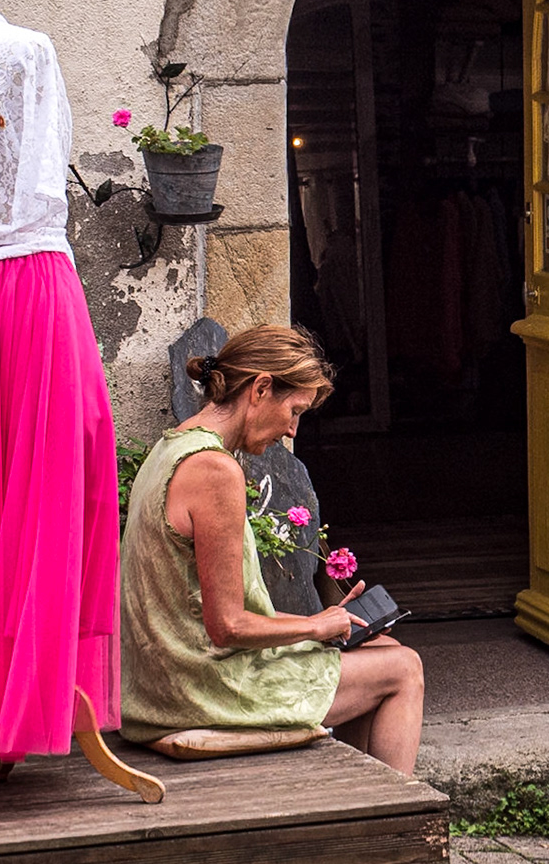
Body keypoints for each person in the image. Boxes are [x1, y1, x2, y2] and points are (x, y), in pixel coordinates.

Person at [119, 326, 426, 776]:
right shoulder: (215, 470)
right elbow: (226, 626)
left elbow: (207, 613)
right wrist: (314, 624)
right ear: (261, 388)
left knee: (378, 646)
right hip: (199, 692)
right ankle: (393, 831)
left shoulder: (172, 449)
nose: (292, 429)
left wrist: (321, 626)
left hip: (163, 683)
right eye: (294, 410)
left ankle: (355, 807)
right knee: (403, 669)